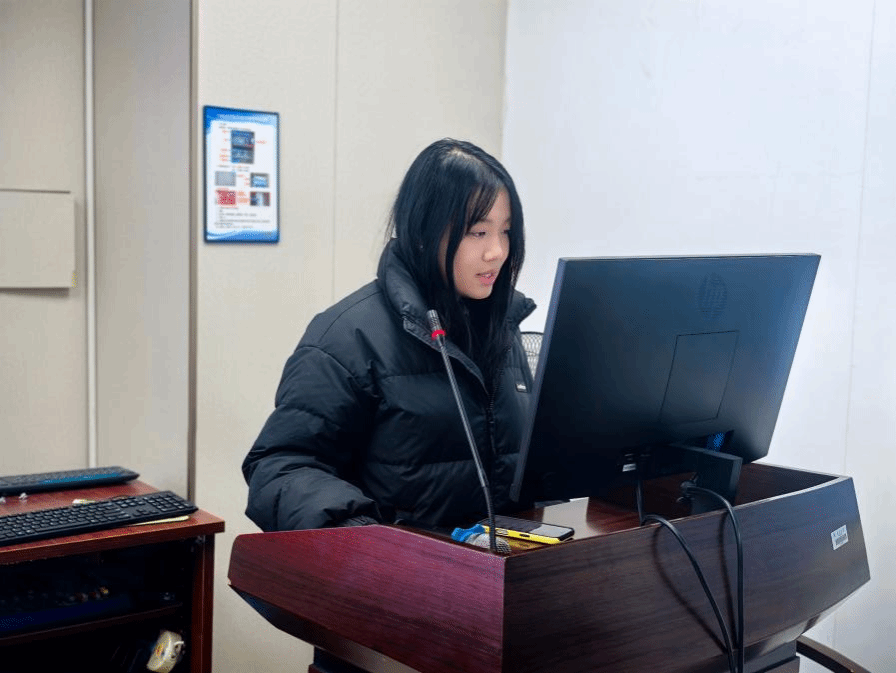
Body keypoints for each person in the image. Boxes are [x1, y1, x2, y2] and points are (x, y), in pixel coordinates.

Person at [242, 138, 535, 532]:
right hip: (396, 564)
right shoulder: (348, 337)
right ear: (423, 231)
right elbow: (280, 466)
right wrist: (364, 539)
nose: (497, 251)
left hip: (499, 562)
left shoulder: (503, 329)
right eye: (478, 232)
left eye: (506, 232)